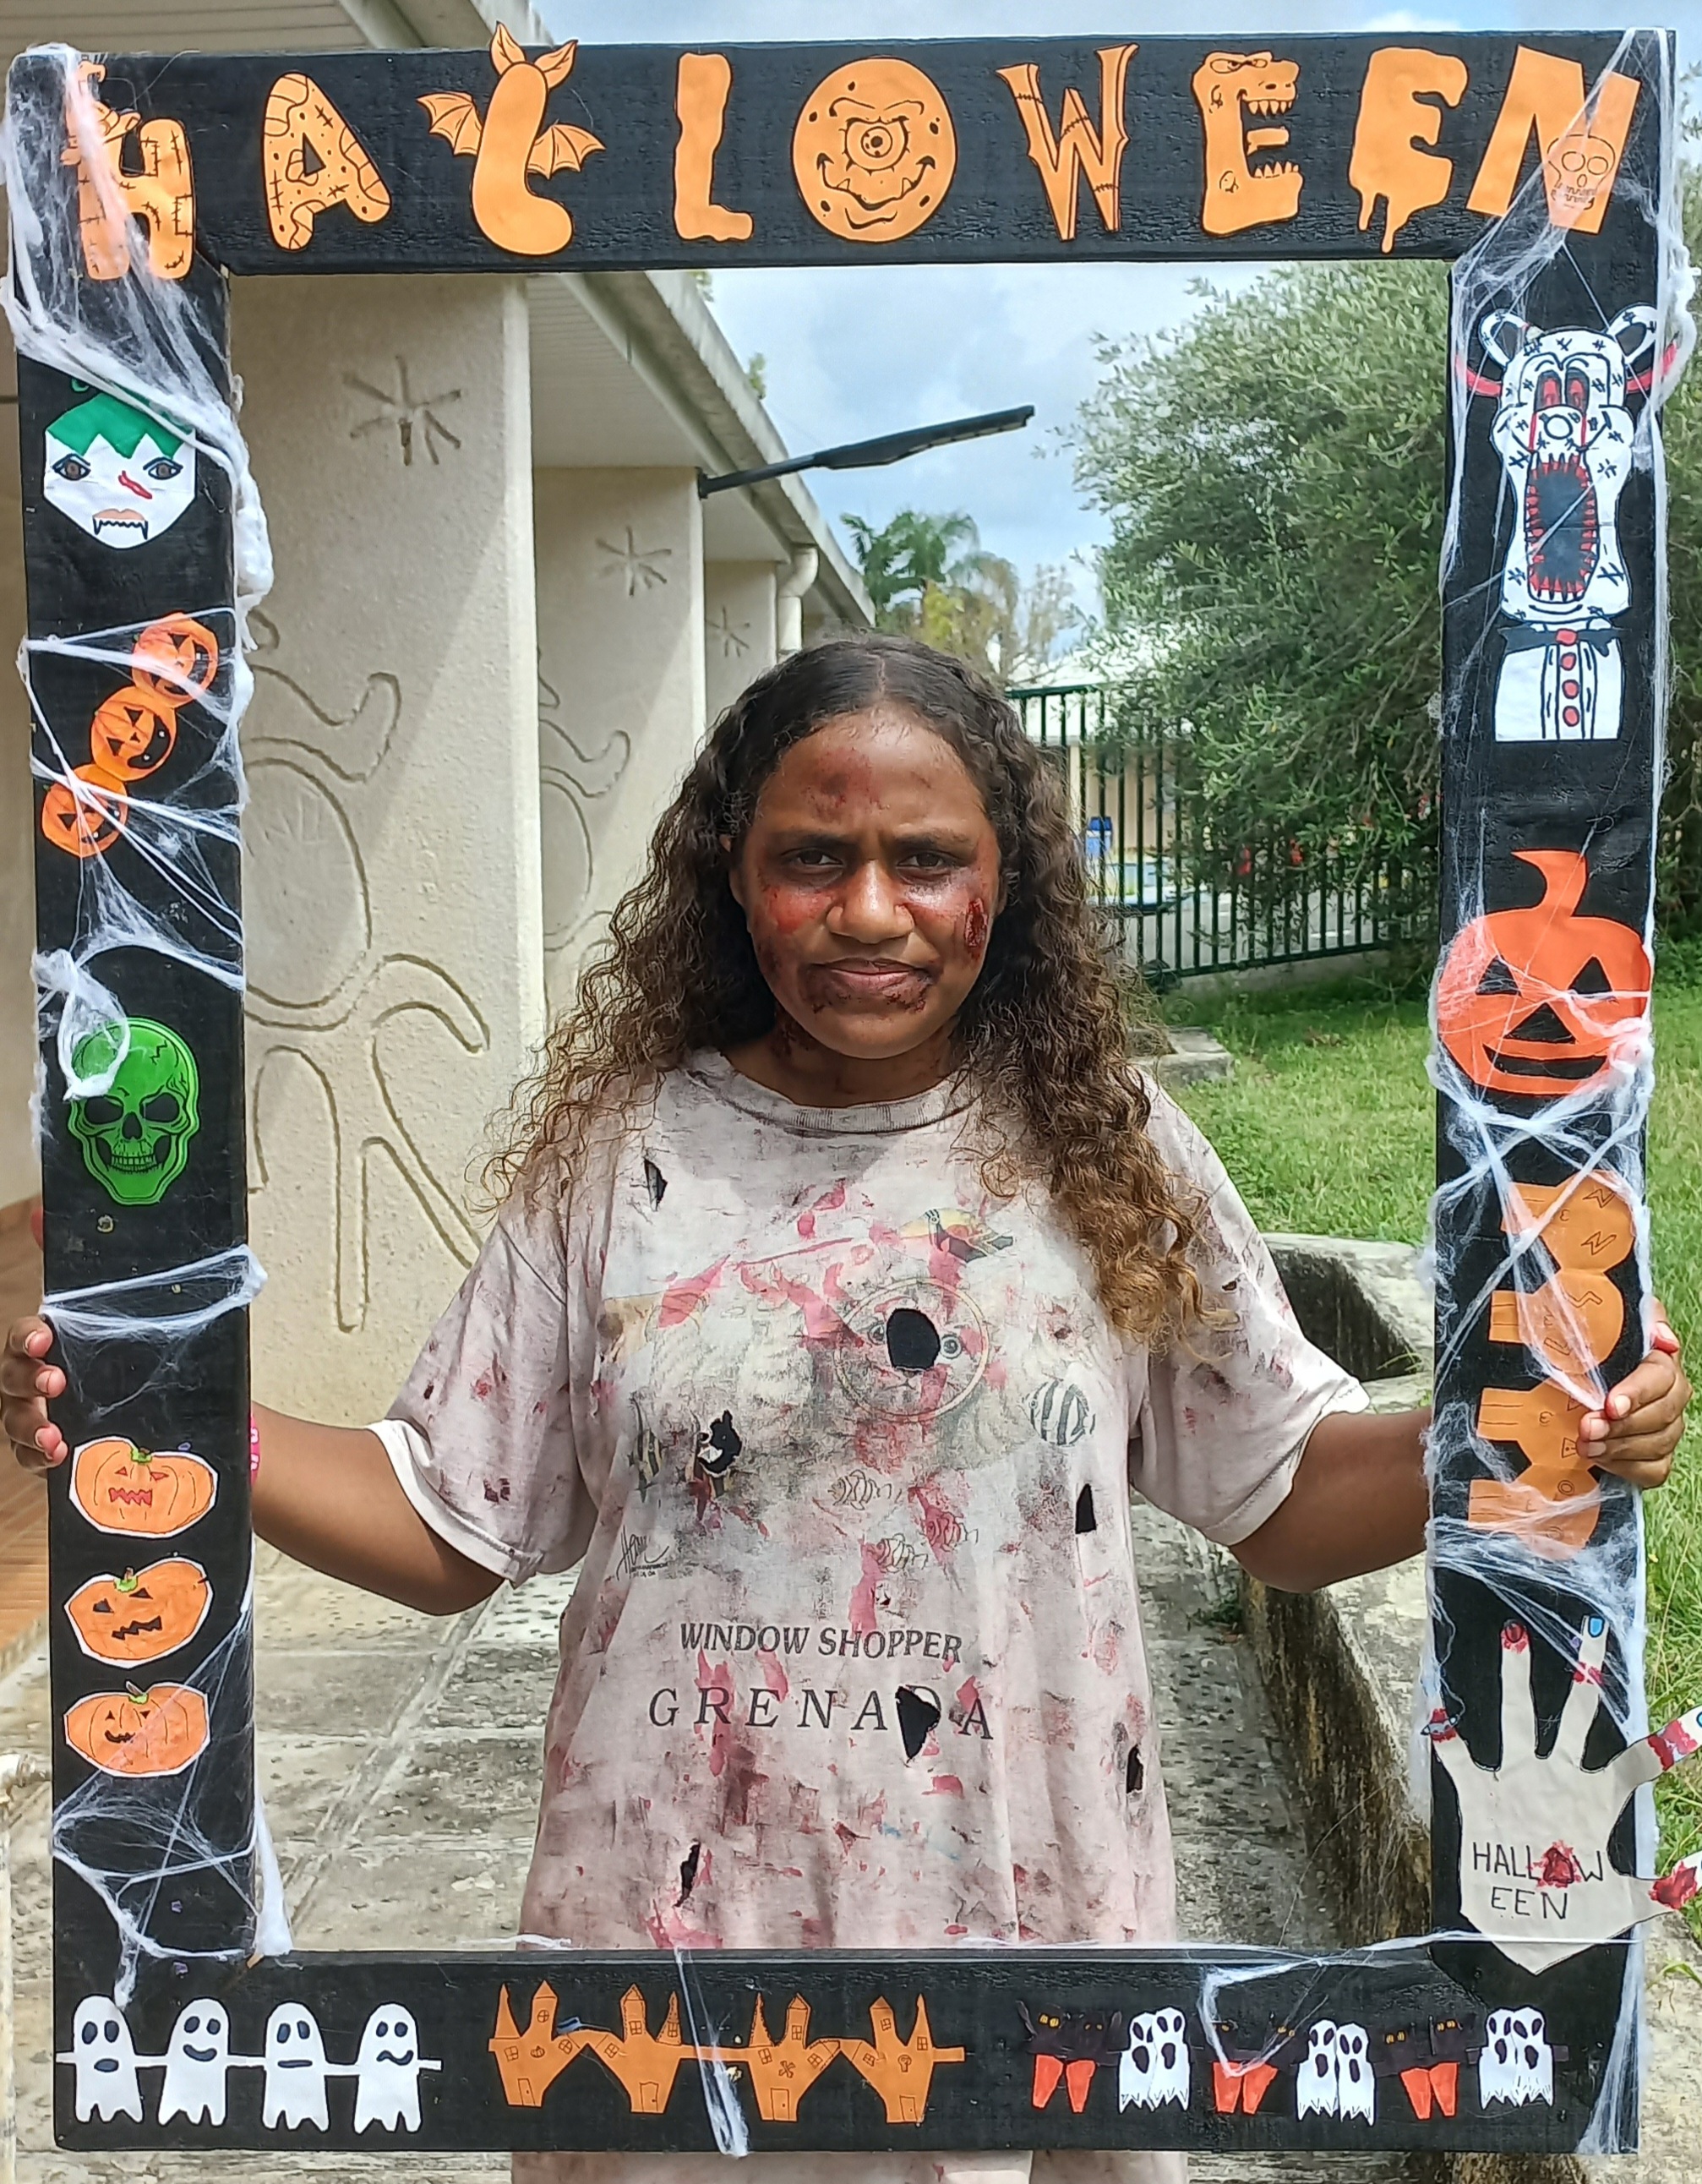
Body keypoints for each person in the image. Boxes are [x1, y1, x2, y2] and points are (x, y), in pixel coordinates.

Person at [3, 635, 1689, 2184]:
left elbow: (1285, 1498)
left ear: (1002, 883)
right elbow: (450, 1517)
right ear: (734, 878)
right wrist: (184, 1421)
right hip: (664, 1981)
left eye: (924, 859)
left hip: (1031, 1968)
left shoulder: (1107, 1155)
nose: (869, 909)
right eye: (813, 857)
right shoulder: (621, 1156)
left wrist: (1516, 1433)